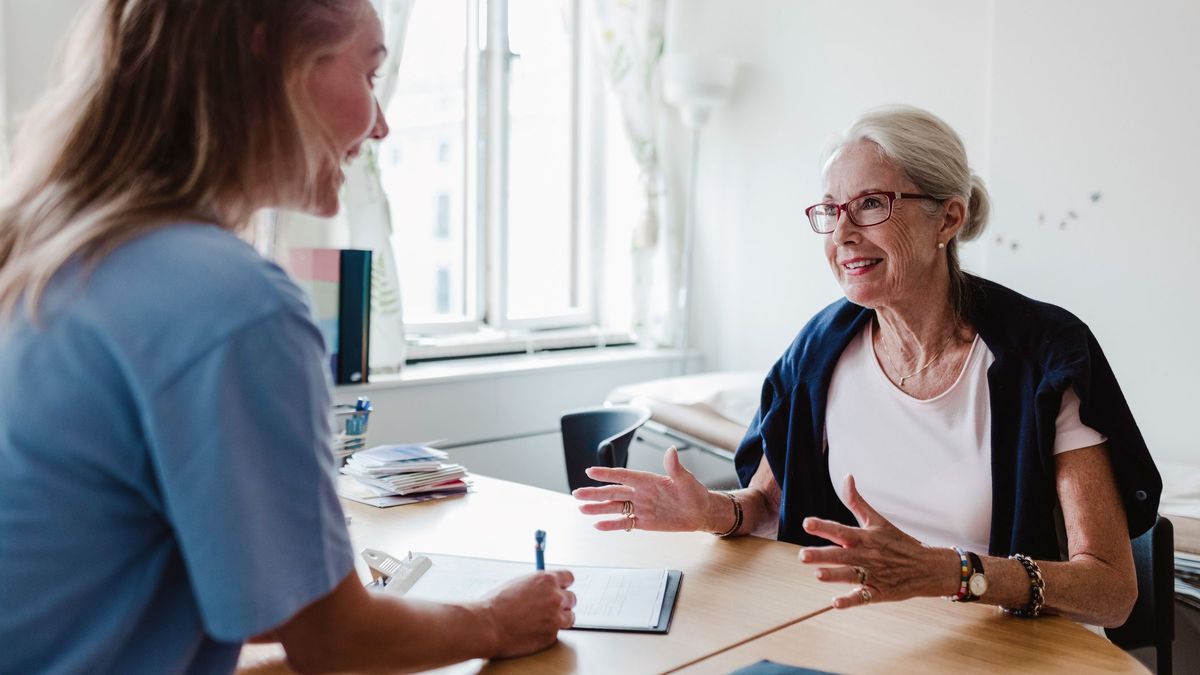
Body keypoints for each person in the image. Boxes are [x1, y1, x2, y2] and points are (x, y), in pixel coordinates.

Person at [0, 1, 574, 672]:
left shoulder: (48, 260)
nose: (382, 125)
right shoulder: (230, 301)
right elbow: (336, 641)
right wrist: (493, 621)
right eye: (369, 74)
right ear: (271, 60)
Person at [574, 105, 1161, 628]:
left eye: (872, 205)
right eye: (831, 210)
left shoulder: (1044, 353)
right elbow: (771, 505)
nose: (844, 234)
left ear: (948, 219)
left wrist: (951, 574)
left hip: (1007, 648)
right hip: (860, 634)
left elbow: (1111, 592)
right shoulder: (820, 350)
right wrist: (715, 512)